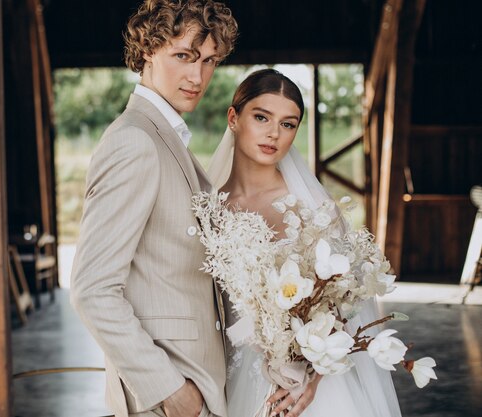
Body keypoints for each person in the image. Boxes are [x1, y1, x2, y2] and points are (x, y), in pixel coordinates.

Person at [70, 1, 238, 417]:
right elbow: (92, 290)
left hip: (200, 382)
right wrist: (169, 389)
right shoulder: (134, 141)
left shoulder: (166, 136)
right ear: (147, 51)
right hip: (167, 399)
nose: (197, 76)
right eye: (183, 56)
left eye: (209, 61)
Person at [207, 68, 403, 417]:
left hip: (313, 388)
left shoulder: (310, 207)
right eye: (262, 117)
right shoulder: (209, 208)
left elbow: (347, 302)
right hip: (233, 375)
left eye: (288, 124)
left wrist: (313, 373)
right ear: (233, 117)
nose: (274, 134)